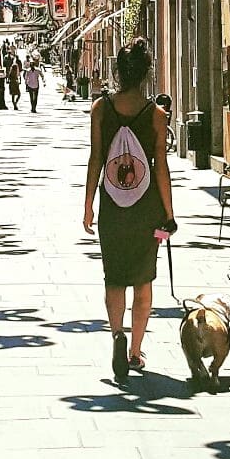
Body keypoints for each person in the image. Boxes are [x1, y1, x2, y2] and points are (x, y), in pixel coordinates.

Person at [83, 38, 175, 385]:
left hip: (111, 206)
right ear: (147, 73)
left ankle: (116, 334)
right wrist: (169, 214)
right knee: (144, 279)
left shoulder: (100, 109)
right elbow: (161, 168)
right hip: (146, 208)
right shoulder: (157, 114)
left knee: (114, 276)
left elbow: (95, 159)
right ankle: (136, 349)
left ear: (117, 72)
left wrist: (88, 204)